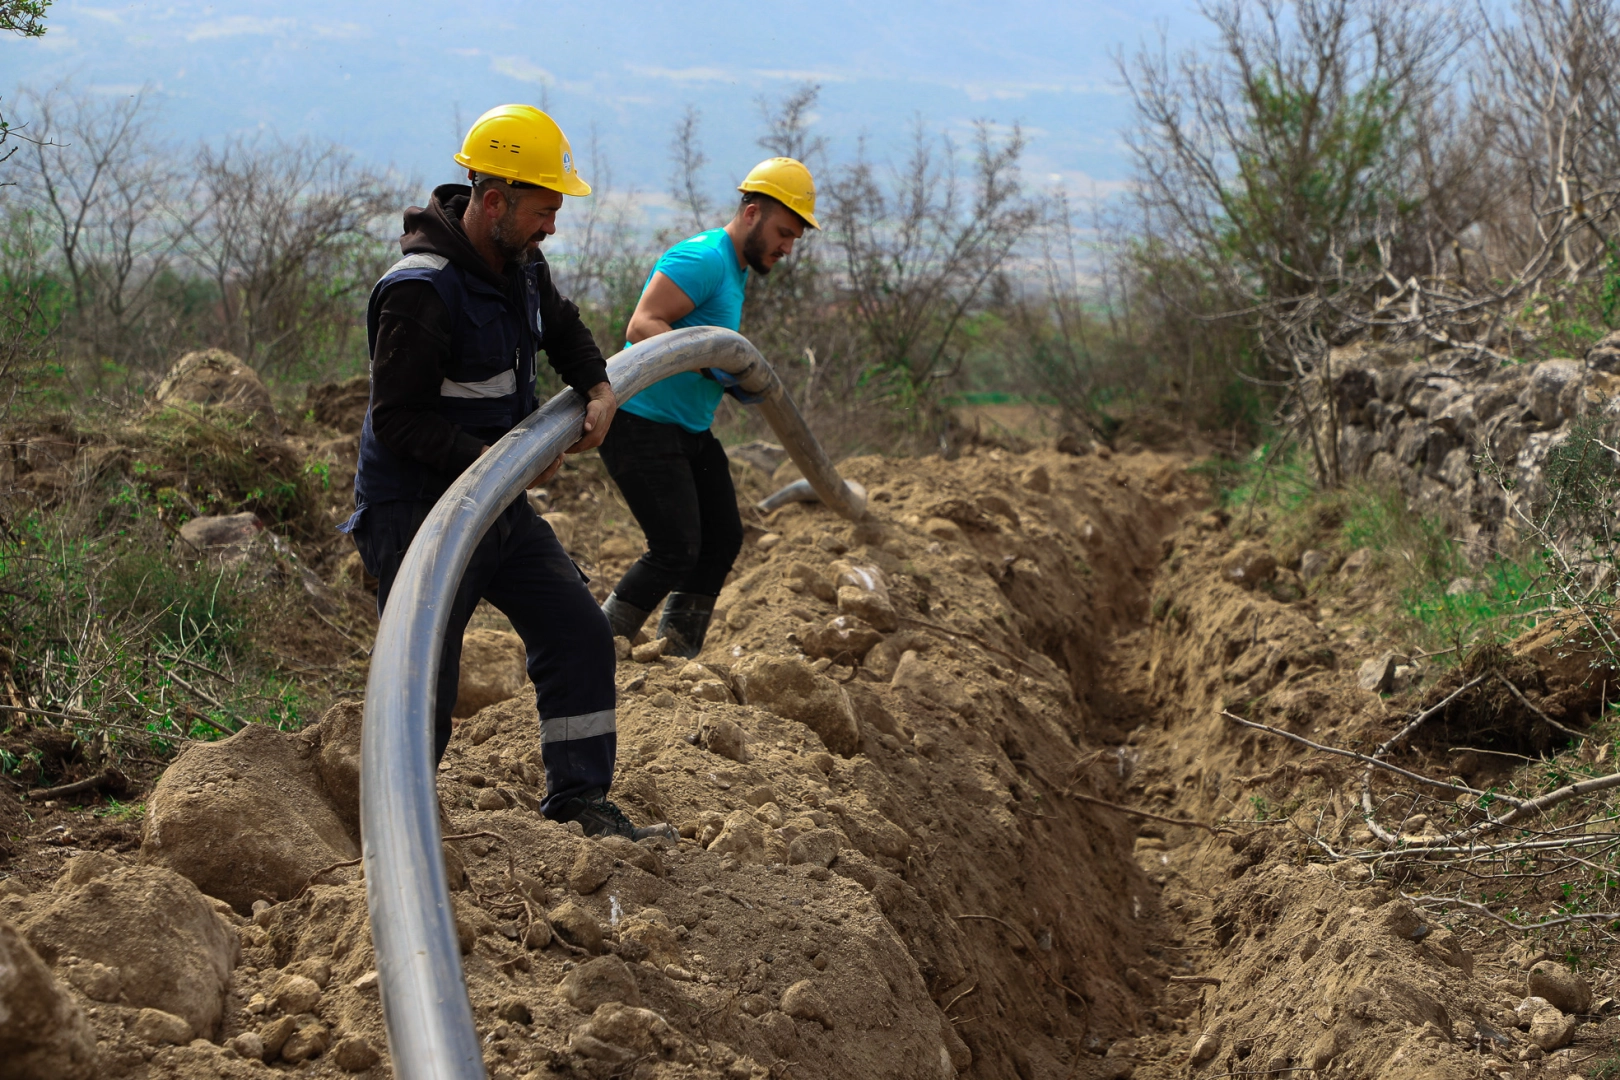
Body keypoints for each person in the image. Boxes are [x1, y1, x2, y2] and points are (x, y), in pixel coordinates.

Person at [344, 104, 669, 841]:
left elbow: (563, 326)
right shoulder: (421, 290)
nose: (552, 225)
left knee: (578, 631)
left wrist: (598, 387)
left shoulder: (521, 265)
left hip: (493, 499)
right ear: (494, 202)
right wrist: (507, 464)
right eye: (543, 210)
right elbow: (397, 420)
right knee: (423, 678)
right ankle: (398, 837)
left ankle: (579, 801)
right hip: (417, 511)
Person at [597, 157, 817, 656]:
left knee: (722, 539)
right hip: (641, 424)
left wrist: (730, 376)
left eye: (794, 238)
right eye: (783, 233)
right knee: (675, 549)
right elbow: (642, 326)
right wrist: (715, 368)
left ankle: (676, 657)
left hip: (687, 429)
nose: (787, 247)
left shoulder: (734, 269)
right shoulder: (704, 258)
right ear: (752, 213)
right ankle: (589, 647)